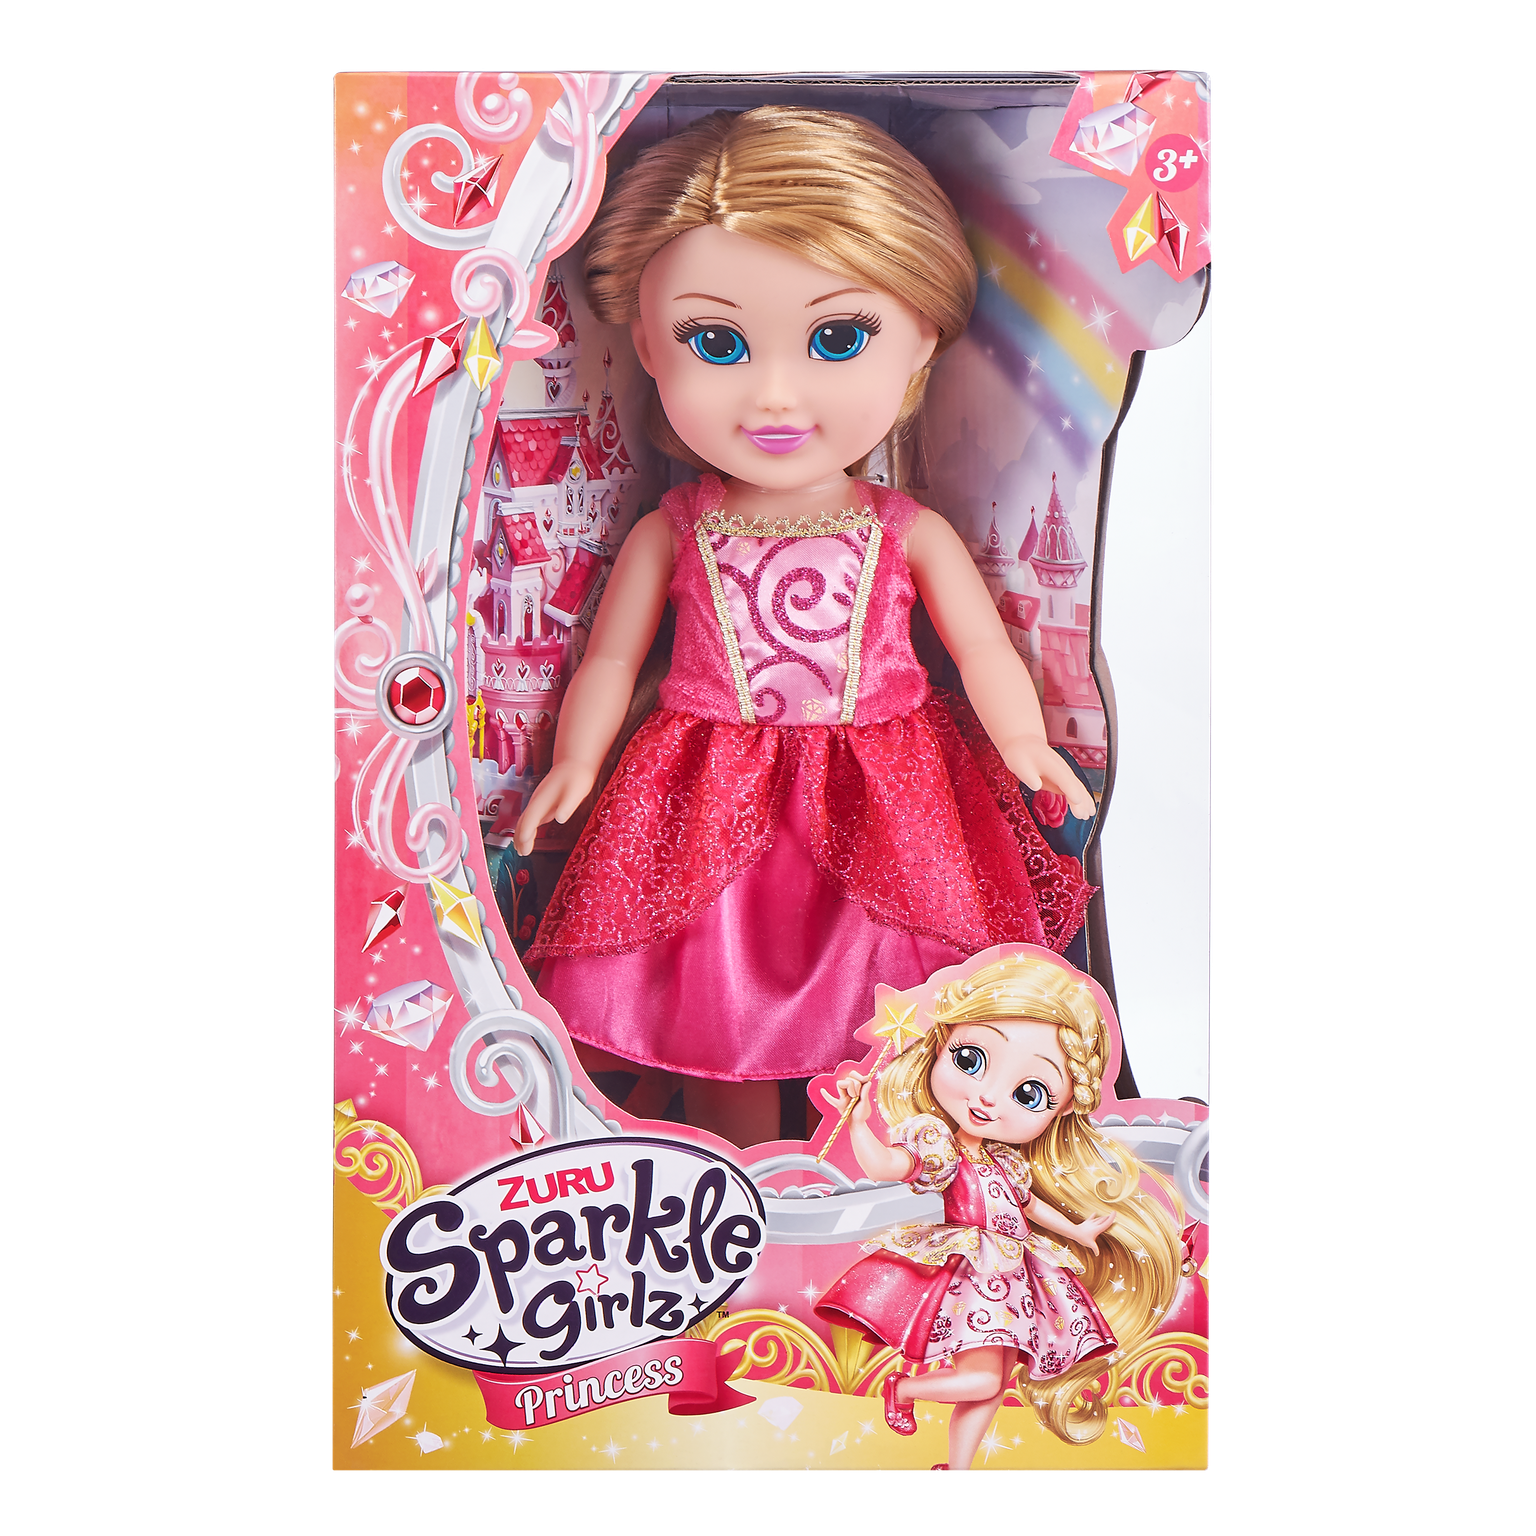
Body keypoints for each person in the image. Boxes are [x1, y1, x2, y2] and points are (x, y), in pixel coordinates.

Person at [516, 108, 1096, 1147]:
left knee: (893, 1004)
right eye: (716, 344)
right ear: (646, 344)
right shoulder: (676, 527)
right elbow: (609, 657)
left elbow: (981, 649)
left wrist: (1024, 742)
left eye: (839, 340)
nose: (775, 395)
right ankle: (737, 1173)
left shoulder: (905, 530)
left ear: (922, 336)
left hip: (890, 793)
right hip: (703, 790)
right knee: (711, 1000)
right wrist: (575, 761)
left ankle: (877, 1173)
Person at [815, 950, 1184, 1469]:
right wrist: (856, 1121)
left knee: (992, 1384)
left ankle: (958, 1467)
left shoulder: (1006, 1160)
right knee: (985, 1379)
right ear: (941, 1044)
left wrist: (1077, 1231)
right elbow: (884, 1166)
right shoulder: (939, 1144)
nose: (988, 1098)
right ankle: (905, 1388)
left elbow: (1026, 1205)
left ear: (1061, 1108)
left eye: (1029, 1094)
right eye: (970, 1060)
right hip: (977, 1272)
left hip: (1016, 1271)